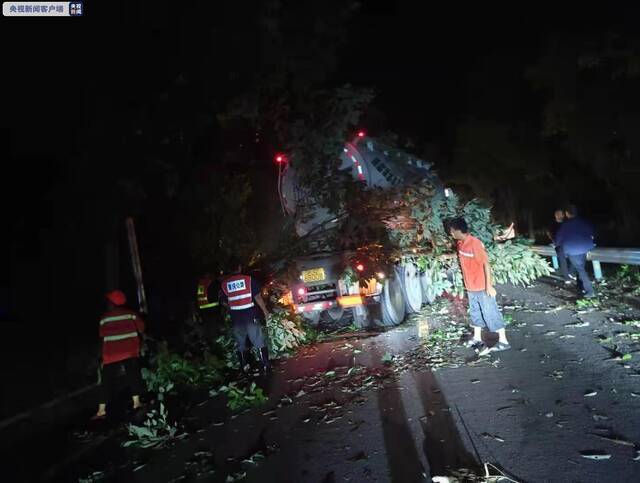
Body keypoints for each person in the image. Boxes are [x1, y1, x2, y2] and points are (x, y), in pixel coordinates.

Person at [449, 218, 510, 354]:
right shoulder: (460, 244)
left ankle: (504, 341)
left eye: (452, 231)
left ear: (459, 230)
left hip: (482, 287)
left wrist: (489, 286)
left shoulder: (475, 244)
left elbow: (485, 264)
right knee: (475, 313)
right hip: (471, 287)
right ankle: (477, 338)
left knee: (490, 313)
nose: (451, 234)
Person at [93, 290, 145, 419]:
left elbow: (101, 335)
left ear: (111, 303)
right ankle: (136, 403)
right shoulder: (131, 314)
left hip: (111, 354)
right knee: (133, 375)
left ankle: (101, 410)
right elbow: (142, 328)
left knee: (106, 381)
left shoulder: (104, 318)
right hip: (130, 351)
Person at [219, 258, 271, 373]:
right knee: (257, 339)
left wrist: (231, 308)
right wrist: (265, 312)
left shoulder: (225, 284)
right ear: (239, 268)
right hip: (250, 315)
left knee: (240, 342)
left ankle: (244, 367)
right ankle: (265, 365)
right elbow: (257, 297)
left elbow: (223, 301)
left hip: (236, 318)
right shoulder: (248, 280)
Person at [554, 205, 596, 298]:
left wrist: (557, 245)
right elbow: (592, 233)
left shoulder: (565, 225)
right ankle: (580, 285)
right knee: (580, 268)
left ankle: (590, 291)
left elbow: (558, 240)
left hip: (573, 249)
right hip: (586, 247)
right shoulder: (584, 222)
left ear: (567, 214)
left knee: (580, 270)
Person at [547, 209, 572, 283]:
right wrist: (553, 241)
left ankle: (570, 272)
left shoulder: (566, 223)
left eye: (561, 214)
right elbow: (549, 233)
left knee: (573, 259)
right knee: (562, 260)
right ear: (556, 215)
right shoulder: (552, 224)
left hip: (568, 244)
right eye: (559, 214)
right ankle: (566, 277)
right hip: (558, 244)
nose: (560, 215)